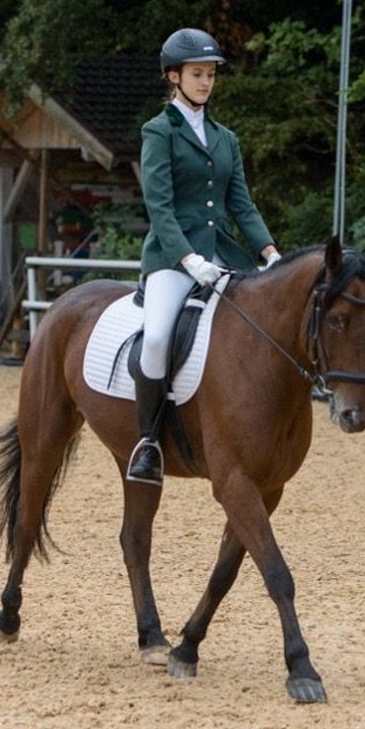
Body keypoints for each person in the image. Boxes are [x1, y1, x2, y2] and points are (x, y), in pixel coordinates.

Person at [126, 27, 282, 485]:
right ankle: (148, 442)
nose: (206, 82)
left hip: (225, 255)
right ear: (173, 76)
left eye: (211, 74)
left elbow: (241, 204)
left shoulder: (224, 138)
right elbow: (160, 205)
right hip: (173, 259)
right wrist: (188, 259)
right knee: (155, 339)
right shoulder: (158, 132)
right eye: (197, 74)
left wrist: (270, 253)